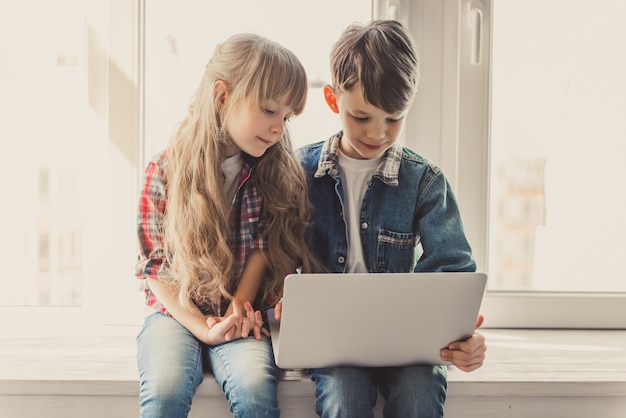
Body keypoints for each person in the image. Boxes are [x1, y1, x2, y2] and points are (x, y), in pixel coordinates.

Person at [292, 20, 487, 418]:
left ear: (409, 105)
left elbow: (453, 274)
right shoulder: (298, 173)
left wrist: (463, 338)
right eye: (362, 117)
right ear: (333, 99)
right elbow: (274, 254)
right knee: (343, 397)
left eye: (393, 118)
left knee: (420, 391)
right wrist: (277, 304)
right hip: (333, 343)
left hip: (407, 345)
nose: (378, 133)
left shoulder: (424, 181)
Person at [134, 33, 318, 418]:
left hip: (242, 312)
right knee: (165, 391)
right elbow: (154, 270)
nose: (278, 129)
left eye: (286, 117)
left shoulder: (277, 172)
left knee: (254, 391)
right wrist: (202, 328)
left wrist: (238, 307)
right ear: (222, 96)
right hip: (177, 314)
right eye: (269, 110)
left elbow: (265, 249)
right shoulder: (164, 170)